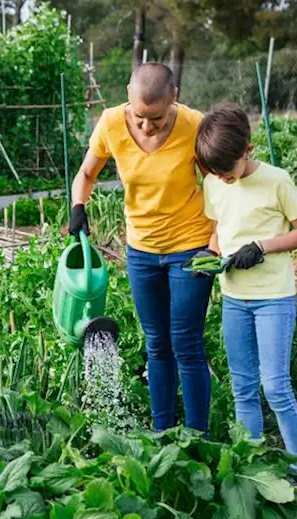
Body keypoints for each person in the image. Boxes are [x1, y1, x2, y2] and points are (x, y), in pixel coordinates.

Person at [69, 63, 214, 433]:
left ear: (174, 98)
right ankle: (163, 435)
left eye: (157, 118)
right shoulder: (112, 122)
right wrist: (78, 206)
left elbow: (220, 188)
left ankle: (199, 438)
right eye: (139, 117)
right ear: (128, 100)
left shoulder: (194, 125)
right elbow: (87, 172)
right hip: (142, 252)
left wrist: (213, 247)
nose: (147, 126)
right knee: (157, 344)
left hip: (190, 247)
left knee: (187, 344)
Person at [194, 102, 297, 490]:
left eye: (228, 172)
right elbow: (219, 230)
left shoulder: (276, 180)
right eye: (216, 173)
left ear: (248, 150)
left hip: (273, 298)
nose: (224, 180)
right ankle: (253, 467)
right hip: (234, 298)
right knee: (242, 386)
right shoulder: (215, 181)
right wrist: (209, 254)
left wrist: (262, 246)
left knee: (275, 386)